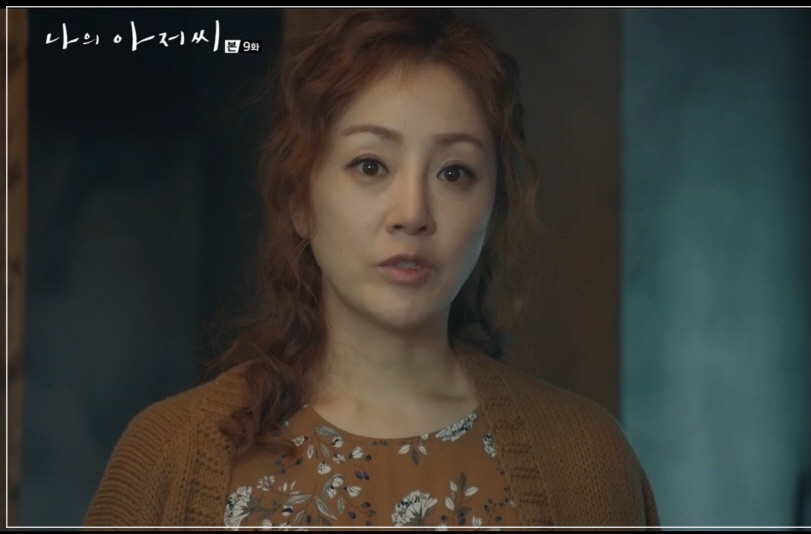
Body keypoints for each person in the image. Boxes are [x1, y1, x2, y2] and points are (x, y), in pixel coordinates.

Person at [83, 9, 659, 528]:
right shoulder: (168, 455)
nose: (412, 214)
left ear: (492, 207)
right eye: (370, 165)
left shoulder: (587, 463)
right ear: (300, 201)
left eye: (454, 172)